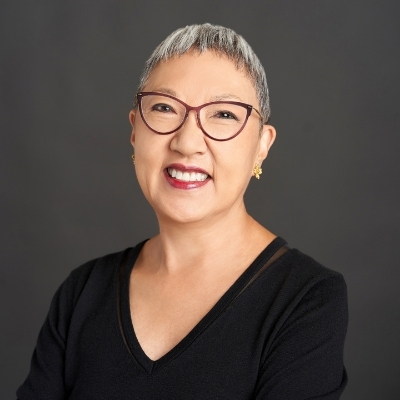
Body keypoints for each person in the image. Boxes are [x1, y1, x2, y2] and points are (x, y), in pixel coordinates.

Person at [17, 23, 348, 399]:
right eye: (163, 108)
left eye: (223, 114)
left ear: (262, 146)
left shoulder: (306, 298)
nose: (188, 142)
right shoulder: (82, 293)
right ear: (134, 131)